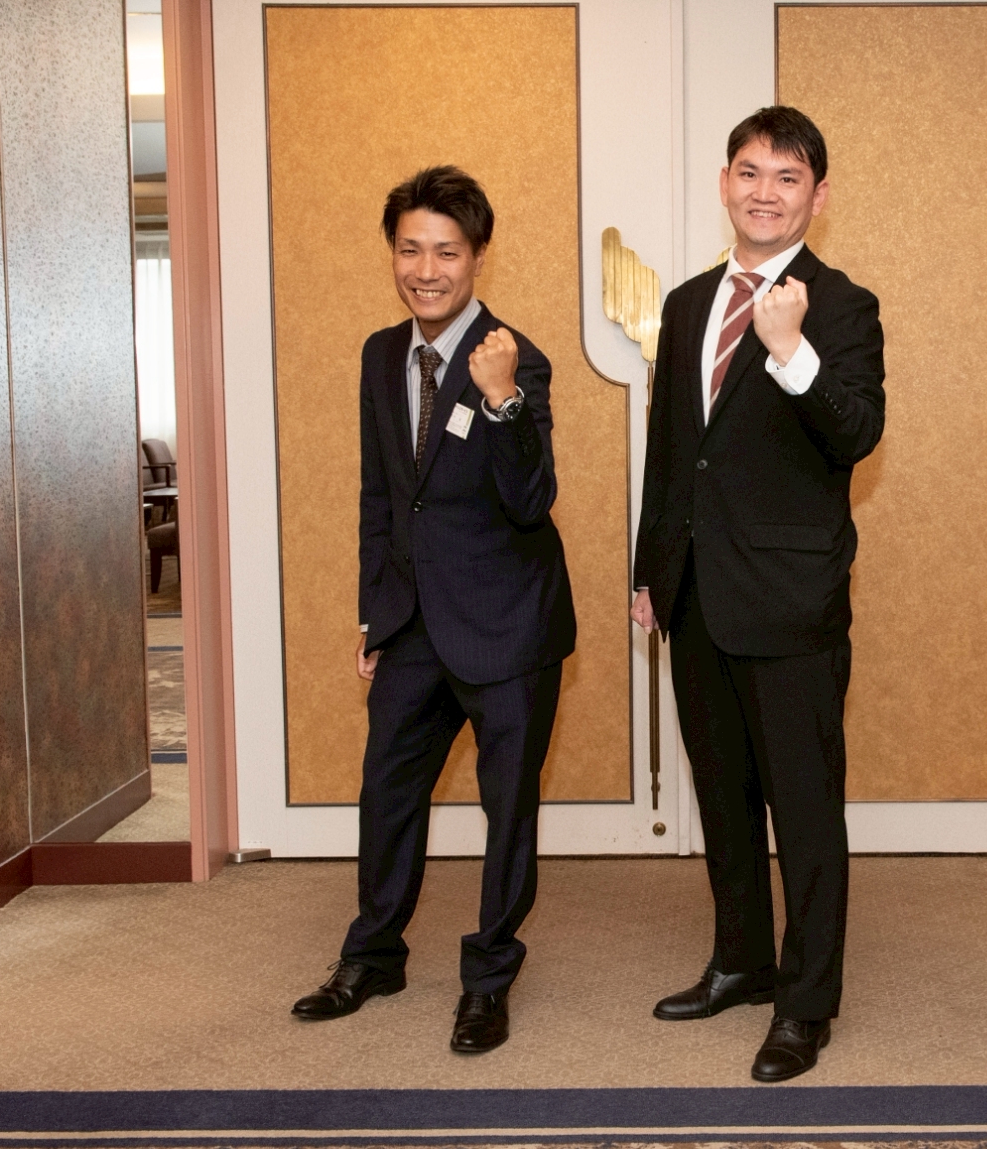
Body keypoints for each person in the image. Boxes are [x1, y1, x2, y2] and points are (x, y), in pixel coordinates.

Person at [292, 165, 575, 1056]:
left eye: (446, 252)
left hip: (507, 622)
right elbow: (382, 495)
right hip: (413, 619)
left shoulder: (514, 356)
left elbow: (532, 500)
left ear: (477, 256)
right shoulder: (382, 355)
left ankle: (488, 979)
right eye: (410, 249)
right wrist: (375, 614)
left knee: (507, 810)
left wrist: (502, 400)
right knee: (387, 791)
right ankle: (373, 954)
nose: (426, 269)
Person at [632, 106, 886, 1083]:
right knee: (723, 799)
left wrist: (791, 352)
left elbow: (854, 432)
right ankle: (739, 961)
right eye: (749, 172)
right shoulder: (688, 302)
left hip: (790, 599)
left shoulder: (842, 306)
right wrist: (652, 572)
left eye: (787, 177)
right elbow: (672, 452)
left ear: (818, 195)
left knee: (805, 814)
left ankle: (804, 1002)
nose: (764, 192)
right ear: (724, 183)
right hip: (696, 594)